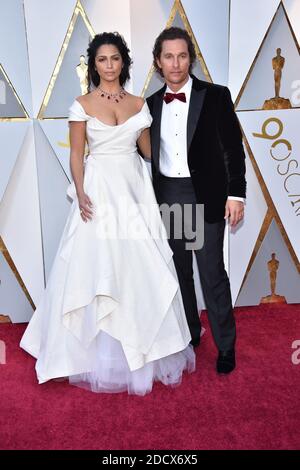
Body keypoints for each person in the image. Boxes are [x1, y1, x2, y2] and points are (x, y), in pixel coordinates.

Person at [20, 32, 195, 395]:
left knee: (137, 266)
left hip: (133, 191)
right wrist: (81, 192)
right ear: (94, 64)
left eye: (115, 58)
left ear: (123, 62)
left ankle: (147, 345)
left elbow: (148, 152)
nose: (110, 65)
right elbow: (76, 154)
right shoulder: (81, 104)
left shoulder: (137, 104)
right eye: (102, 60)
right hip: (99, 192)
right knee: (97, 267)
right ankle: (92, 354)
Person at [147, 27, 246, 374]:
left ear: (191, 58)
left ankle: (226, 346)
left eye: (182, 55)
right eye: (169, 56)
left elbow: (233, 149)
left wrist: (236, 194)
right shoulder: (149, 106)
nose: (176, 63)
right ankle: (191, 332)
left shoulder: (216, 96)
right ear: (158, 62)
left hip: (205, 197)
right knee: (179, 272)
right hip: (169, 196)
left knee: (211, 273)